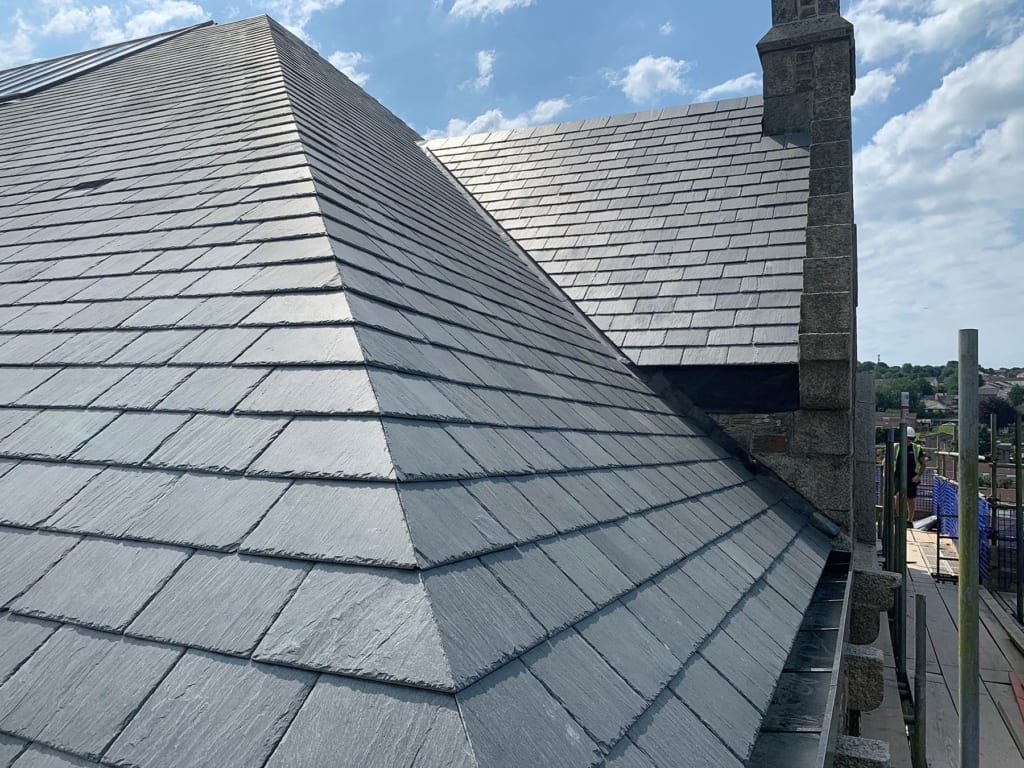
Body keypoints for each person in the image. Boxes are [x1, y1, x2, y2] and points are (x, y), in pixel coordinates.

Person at [893, 427, 926, 523]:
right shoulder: (895, 447)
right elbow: (886, 460)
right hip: (898, 475)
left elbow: (923, 464)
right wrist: (885, 473)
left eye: (910, 438)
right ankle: (899, 518)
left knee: (909, 499)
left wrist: (918, 476)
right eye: (907, 437)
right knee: (898, 496)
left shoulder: (916, 448)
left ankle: (909, 520)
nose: (908, 440)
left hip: (912, 477)